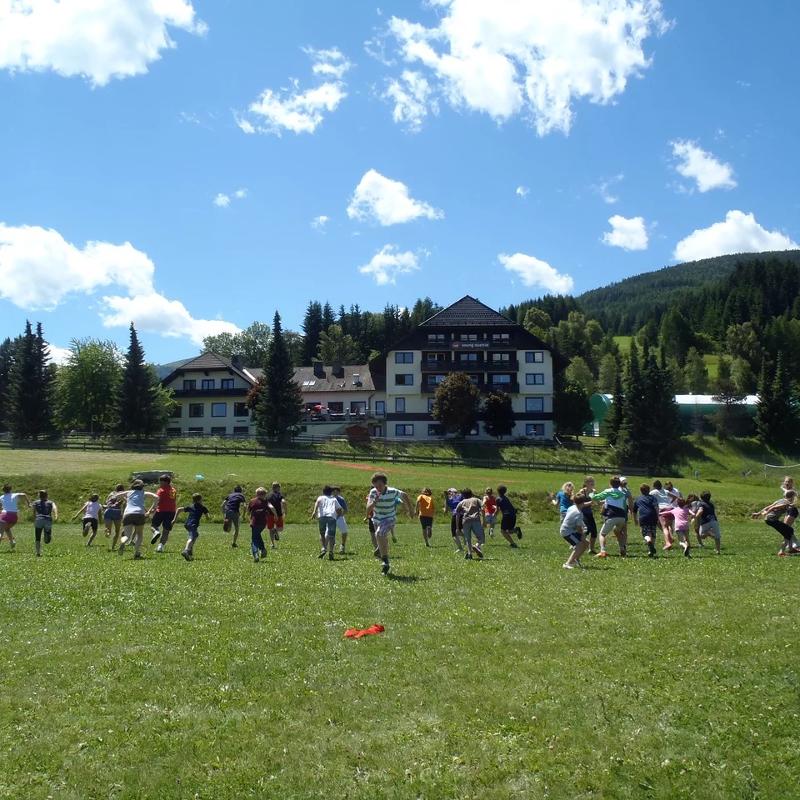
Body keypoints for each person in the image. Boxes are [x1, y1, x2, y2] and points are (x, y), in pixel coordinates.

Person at [367, 472, 413, 575]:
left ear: (385, 484)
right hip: (377, 520)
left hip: (389, 519)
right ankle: (380, 549)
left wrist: (410, 509)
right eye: (375, 486)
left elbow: (404, 495)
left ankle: (385, 561)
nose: (378, 488)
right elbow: (368, 508)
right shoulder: (373, 492)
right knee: (381, 536)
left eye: (380, 485)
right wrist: (374, 502)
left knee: (379, 534)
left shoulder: (393, 491)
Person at [112, 480, 159, 560]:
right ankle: (137, 553)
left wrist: (124, 499)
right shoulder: (143, 493)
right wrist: (150, 510)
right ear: (142, 487)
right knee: (139, 534)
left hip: (127, 514)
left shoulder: (129, 492)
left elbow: (116, 496)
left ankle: (123, 542)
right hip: (139, 513)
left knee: (127, 535)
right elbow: (156, 497)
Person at [752, 490, 800, 556]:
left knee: (789, 530)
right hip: (772, 520)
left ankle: (790, 549)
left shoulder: (780, 500)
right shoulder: (785, 503)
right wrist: (766, 513)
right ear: (793, 497)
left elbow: (768, 506)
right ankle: (782, 552)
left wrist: (758, 513)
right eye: (795, 497)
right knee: (788, 531)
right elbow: (773, 507)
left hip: (769, 520)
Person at [591, 476, 629, 558]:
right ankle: (622, 548)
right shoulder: (623, 494)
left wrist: (592, 492)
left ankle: (602, 551)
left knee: (602, 534)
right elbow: (625, 507)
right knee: (617, 532)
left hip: (612, 516)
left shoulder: (608, 491)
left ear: (610, 484)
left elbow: (595, 498)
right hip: (622, 517)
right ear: (619, 484)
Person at [172, 493, 210, 561]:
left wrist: (174, 519)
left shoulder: (191, 506)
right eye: (201, 499)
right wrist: (208, 517)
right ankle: (186, 550)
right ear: (200, 500)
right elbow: (208, 517)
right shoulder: (203, 507)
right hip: (193, 525)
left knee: (195, 535)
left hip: (187, 524)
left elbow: (179, 509)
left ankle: (189, 553)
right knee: (191, 538)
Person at [310, 485, 341, 561]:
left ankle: (324, 548)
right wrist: (337, 516)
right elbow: (339, 509)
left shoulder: (320, 498)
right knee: (331, 536)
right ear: (331, 492)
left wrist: (314, 512)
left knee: (322, 533)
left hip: (322, 516)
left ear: (323, 492)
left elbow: (317, 503)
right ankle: (331, 552)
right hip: (331, 517)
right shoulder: (334, 499)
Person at [561, 491, 590, 569]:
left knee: (586, 543)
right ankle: (567, 564)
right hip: (567, 532)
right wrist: (583, 536)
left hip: (569, 530)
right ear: (583, 502)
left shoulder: (572, 507)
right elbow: (578, 528)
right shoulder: (578, 513)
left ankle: (575, 559)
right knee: (579, 545)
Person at [149, 474, 177, 553]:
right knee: (166, 530)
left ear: (165, 482)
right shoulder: (173, 490)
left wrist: (151, 510)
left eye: (161, 482)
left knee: (153, 526)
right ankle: (160, 547)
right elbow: (173, 500)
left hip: (161, 511)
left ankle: (156, 532)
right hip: (171, 512)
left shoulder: (161, 490)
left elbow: (157, 501)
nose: (160, 483)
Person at [247, 487, 275, 562]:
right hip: (263, 523)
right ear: (265, 494)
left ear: (257, 494)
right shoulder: (266, 502)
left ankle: (256, 554)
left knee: (254, 539)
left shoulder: (252, 501)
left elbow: (248, 511)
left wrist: (248, 517)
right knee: (257, 535)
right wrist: (276, 515)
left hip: (254, 522)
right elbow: (272, 508)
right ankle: (263, 549)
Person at [633, 483, 660, 557]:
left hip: (643, 517)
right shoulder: (653, 498)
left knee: (645, 533)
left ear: (641, 491)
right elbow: (656, 507)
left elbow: (634, 511)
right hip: (653, 516)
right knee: (653, 533)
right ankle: (651, 550)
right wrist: (658, 517)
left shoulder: (638, 499)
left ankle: (648, 540)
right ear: (649, 490)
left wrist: (635, 520)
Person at [456, 489, 484, 560]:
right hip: (475, 520)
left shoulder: (461, 502)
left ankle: (469, 554)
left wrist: (457, 527)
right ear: (471, 494)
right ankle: (476, 546)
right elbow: (483, 508)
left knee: (467, 539)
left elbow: (457, 515)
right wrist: (484, 520)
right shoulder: (476, 500)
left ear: (463, 495)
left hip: (465, 520)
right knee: (481, 538)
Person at [0, 484, 29, 550]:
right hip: (14, 517)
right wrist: (28, 503)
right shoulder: (15, 495)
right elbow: (24, 495)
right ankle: (12, 542)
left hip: (4, 516)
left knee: (0, 532)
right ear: (10, 489)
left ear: (3, 490)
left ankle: (11, 541)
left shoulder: (1, 497)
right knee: (7, 528)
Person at [31, 490, 58, 557]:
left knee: (37, 537)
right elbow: (54, 508)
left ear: (39, 496)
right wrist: (56, 515)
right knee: (47, 540)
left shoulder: (35, 502)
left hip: (39, 519)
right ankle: (47, 534)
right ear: (47, 495)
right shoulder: (51, 502)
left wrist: (34, 519)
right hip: (47, 519)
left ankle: (38, 553)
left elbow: (34, 511)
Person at [650, 480, 675, 550]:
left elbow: (647, 497)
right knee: (666, 525)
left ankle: (668, 543)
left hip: (662, 509)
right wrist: (669, 502)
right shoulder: (665, 491)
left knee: (664, 527)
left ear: (654, 486)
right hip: (670, 509)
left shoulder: (653, 492)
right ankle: (670, 538)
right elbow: (675, 497)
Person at [103, 483, 126, 549]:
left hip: (108, 510)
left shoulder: (111, 493)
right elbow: (125, 504)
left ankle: (107, 532)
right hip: (117, 512)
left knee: (108, 530)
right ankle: (113, 547)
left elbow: (106, 502)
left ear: (116, 489)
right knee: (117, 531)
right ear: (123, 489)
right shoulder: (124, 494)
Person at [581, 476, 599, 553]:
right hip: (582, 514)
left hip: (589, 514)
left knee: (594, 532)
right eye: (590, 481)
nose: (592, 483)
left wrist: (606, 501)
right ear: (586, 483)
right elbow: (580, 504)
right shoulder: (582, 492)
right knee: (586, 530)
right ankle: (578, 545)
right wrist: (591, 502)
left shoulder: (594, 491)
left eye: (593, 481)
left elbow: (598, 502)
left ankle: (591, 549)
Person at [266, 482, 287, 549]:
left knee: (270, 529)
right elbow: (283, 502)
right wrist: (285, 511)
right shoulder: (279, 495)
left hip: (269, 514)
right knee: (280, 528)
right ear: (278, 488)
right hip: (278, 514)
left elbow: (267, 504)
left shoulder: (268, 495)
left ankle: (272, 544)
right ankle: (275, 530)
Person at [332, 486, 349, 554]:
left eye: (337, 491)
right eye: (333, 491)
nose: (335, 493)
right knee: (330, 532)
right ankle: (332, 545)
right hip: (331, 518)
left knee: (344, 531)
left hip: (339, 517)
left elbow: (345, 510)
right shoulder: (328, 499)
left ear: (339, 492)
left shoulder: (341, 499)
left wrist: (341, 515)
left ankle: (342, 546)